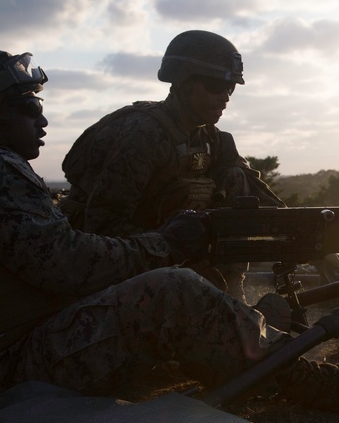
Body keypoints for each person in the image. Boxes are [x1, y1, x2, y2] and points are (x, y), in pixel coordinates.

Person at [0, 46, 339, 412]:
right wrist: (168, 244)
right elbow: (71, 263)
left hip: (2, 354)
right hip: (8, 371)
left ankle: (264, 340)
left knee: (218, 300)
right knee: (174, 291)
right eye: (29, 106)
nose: (42, 121)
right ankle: (314, 385)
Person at [59, 30, 280, 302]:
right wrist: (183, 263)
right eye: (215, 86)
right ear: (185, 83)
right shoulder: (143, 135)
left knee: (234, 178)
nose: (225, 97)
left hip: (169, 253)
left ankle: (233, 290)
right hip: (116, 263)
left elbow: (261, 198)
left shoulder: (212, 138)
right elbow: (103, 227)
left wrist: (306, 233)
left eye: (230, 87)